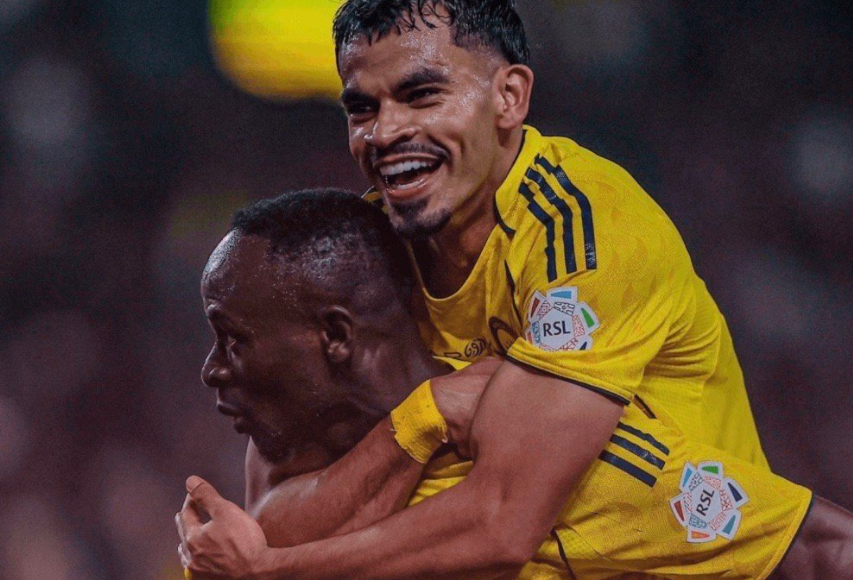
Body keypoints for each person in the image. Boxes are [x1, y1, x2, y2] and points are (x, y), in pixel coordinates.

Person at [176, 190, 853, 580]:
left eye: (233, 340)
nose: (212, 368)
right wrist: (419, 420)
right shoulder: (299, 446)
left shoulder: (570, 456)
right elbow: (271, 531)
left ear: (335, 336)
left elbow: (826, 549)